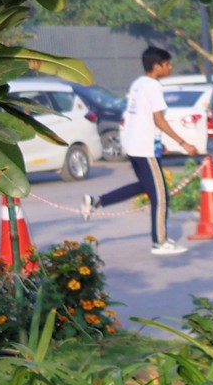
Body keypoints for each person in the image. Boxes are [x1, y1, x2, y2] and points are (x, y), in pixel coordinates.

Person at [81, 46, 202, 254]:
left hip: (135, 146)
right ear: (157, 66)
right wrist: (183, 143)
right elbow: (159, 120)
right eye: (167, 64)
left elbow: (138, 117)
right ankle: (160, 242)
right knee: (160, 196)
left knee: (145, 187)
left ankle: (96, 201)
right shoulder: (153, 86)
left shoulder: (138, 83)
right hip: (144, 148)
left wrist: (158, 142)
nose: (170, 67)